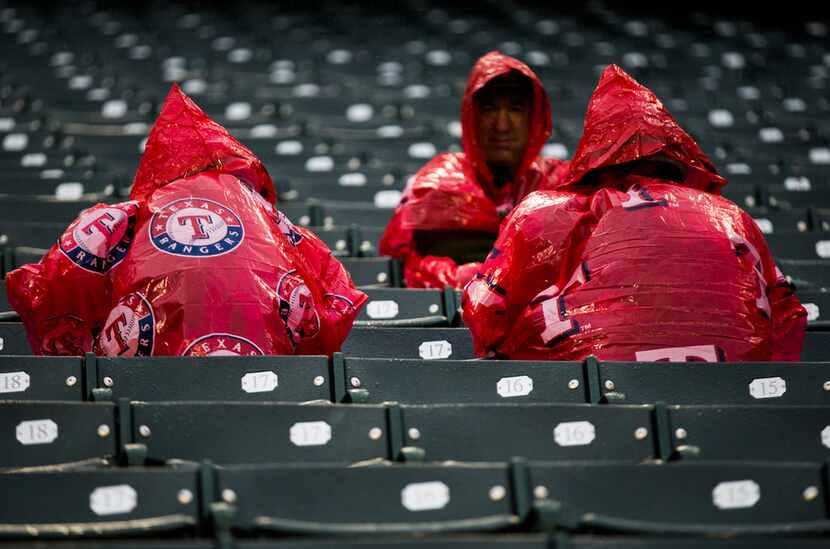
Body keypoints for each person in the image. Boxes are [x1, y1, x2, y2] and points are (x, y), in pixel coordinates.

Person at [462, 64, 806, 362]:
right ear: (675, 154)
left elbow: (484, 315)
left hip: (588, 400)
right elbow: (787, 320)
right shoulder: (732, 216)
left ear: (593, 153)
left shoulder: (546, 212)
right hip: (734, 403)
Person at [7, 84, 367, 357]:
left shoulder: (136, 211)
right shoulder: (268, 216)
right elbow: (334, 296)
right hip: (269, 376)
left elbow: (59, 281)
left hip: (151, 375)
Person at [380, 50, 569, 289]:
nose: (501, 125)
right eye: (489, 109)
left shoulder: (558, 184)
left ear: (535, 120)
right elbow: (404, 264)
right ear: (471, 117)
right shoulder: (436, 184)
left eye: (516, 109)